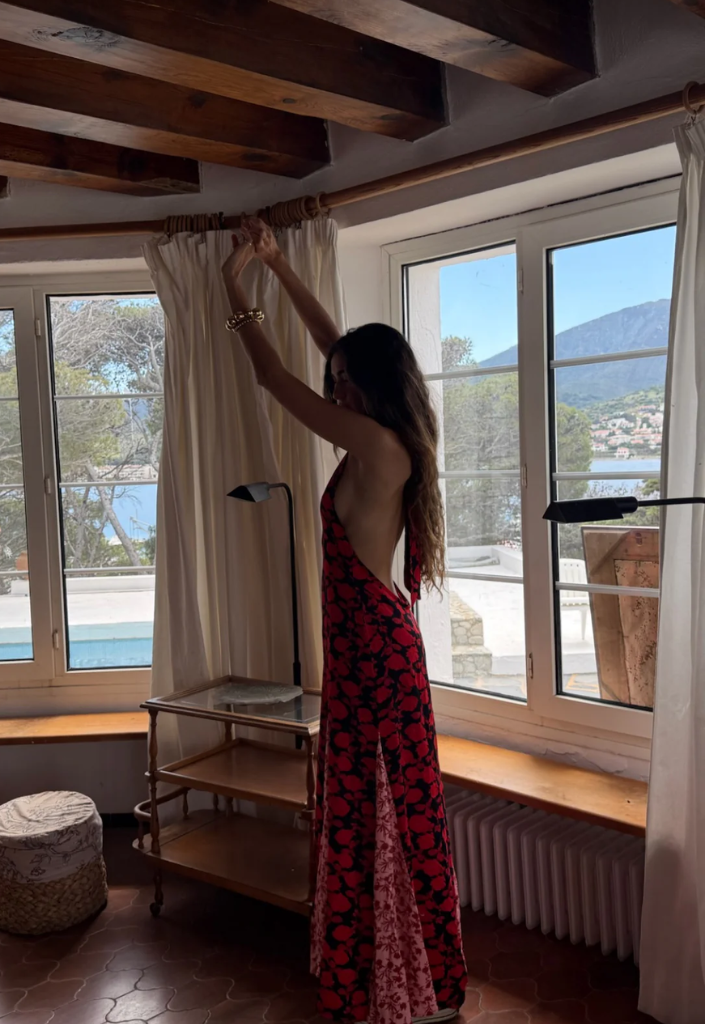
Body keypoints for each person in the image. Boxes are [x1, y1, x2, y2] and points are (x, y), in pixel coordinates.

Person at [222, 218, 466, 1024]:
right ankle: (392, 976)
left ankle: (396, 984)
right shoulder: (391, 433)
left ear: (366, 389)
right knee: (377, 816)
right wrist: (278, 264)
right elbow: (334, 347)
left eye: (345, 382)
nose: (335, 391)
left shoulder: (372, 442)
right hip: (376, 657)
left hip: (376, 665)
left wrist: (235, 294)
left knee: (379, 818)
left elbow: (277, 383)